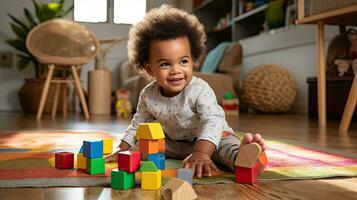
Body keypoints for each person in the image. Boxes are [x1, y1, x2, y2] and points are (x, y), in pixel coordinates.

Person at [106, 5, 266, 178]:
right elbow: (137, 124)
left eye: (183, 61)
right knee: (141, 149)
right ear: (150, 69)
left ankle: (245, 157)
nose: (176, 70)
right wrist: (121, 149)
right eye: (165, 64)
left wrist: (202, 152)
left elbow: (211, 121)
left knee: (225, 148)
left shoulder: (200, 89)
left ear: (193, 59)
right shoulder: (147, 95)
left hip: (209, 138)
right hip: (172, 143)